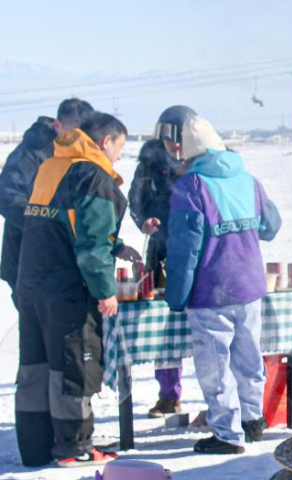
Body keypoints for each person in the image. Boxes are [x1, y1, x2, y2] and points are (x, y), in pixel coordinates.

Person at [14, 112, 139, 467]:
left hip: (32, 284)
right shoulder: (93, 177)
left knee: (35, 369)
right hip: (66, 289)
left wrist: (117, 247)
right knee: (72, 368)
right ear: (104, 142)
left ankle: (35, 447)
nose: (119, 155)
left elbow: (62, 224)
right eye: (120, 146)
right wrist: (105, 291)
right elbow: (90, 247)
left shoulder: (52, 167)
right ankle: (74, 446)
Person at [165, 116, 281, 454]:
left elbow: (184, 248)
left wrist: (176, 296)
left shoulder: (191, 186)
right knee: (249, 357)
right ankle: (252, 420)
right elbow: (270, 226)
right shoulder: (248, 179)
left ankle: (227, 435)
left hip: (211, 291)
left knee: (215, 365)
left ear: (189, 154)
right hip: (250, 286)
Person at [128, 105, 197, 418]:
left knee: (208, 322)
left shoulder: (202, 158)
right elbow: (136, 198)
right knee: (165, 323)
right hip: (161, 248)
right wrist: (144, 220)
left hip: (198, 249)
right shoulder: (150, 158)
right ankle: (169, 394)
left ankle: (219, 397)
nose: (175, 144)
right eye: (169, 137)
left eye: (179, 136)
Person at [0, 98, 94, 301]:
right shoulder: (31, 152)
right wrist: (43, 225)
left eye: (84, 133)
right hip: (26, 258)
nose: (79, 138)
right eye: (74, 131)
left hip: (61, 258)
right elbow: (7, 196)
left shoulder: (79, 154)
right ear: (57, 125)